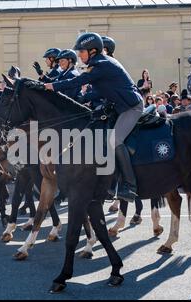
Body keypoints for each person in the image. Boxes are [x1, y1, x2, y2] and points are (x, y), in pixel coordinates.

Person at [44, 32, 144, 201]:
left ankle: (130, 186)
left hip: (131, 107)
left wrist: (51, 86)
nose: (79, 55)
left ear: (92, 51)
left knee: (115, 140)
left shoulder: (101, 64)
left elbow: (76, 82)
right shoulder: (98, 63)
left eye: (81, 52)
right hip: (118, 107)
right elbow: (99, 90)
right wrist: (81, 99)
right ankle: (109, 181)